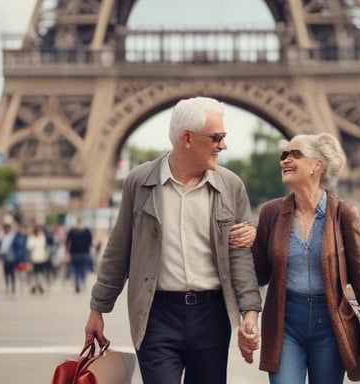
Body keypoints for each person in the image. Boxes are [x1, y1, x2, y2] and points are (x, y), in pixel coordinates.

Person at [84, 97, 261, 384]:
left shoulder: (231, 186)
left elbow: (240, 256)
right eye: (216, 137)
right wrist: (98, 308)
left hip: (212, 315)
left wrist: (249, 313)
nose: (223, 145)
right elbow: (119, 250)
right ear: (187, 138)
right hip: (156, 315)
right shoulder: (139, 183)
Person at [251, 133, 360, 384]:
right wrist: (244, 242)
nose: (285, 160)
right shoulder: (271, 213)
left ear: (317, 166)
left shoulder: (343, 214)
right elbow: (259, 273)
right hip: (284, 323)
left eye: (296, 154)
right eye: (284, 154)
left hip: (330, 324)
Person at [65, 216, 95, 293]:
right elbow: (90, 242)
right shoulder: (86, 231)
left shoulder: (72, 231)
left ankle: (78, 285)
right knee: (82, 270)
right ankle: (82, 283)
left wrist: (67, 253)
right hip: (83, 253)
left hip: (75, 253)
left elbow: (67, 242)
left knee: (76, 271)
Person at [27, 224, 48, 294]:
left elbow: (44, 245)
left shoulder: (42, 237)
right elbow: (29, 247)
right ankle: (34, 285)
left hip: (41, 257)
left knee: (40, 273)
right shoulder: (31, 238)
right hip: (34, 258)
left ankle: (39, 284)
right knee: (34, 273)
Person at [0, 222, 18, 295]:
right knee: (6, 273)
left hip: (12, 257)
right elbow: (1, 247)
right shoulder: (3, 237)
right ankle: (7, 286)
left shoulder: (13, 237)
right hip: (5, 258)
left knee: (12, 273)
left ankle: (13, 286)